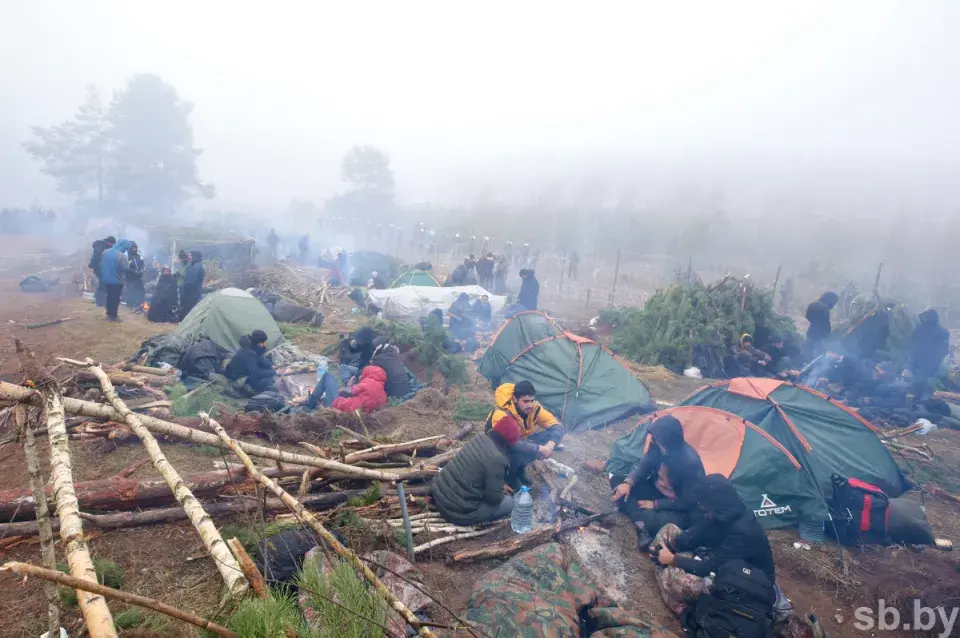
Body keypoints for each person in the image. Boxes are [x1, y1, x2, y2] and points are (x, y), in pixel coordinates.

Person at [650, 474, 776, 617]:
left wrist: (673, 560)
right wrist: (672, 546)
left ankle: (682, 606)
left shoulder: (745, 532)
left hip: (741, 585)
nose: (703, 507)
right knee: (669, 529)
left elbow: (710, 568)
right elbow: (697, 534)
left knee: (675, 580)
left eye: (705, 505)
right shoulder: (721, 515)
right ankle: (661, 569)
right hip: (715, 562)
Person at [610, 415, 706, 548]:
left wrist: (656, 504)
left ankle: (635, 515)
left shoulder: (690, 463)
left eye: (657, 438)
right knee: (617, 480)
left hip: (674, 506)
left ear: (668, 441)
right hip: (653, 489)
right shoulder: (656, 445)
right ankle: (640, 520)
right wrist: (628, 483)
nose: (653, 440)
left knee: (658, 522)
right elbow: (644, 465)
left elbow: (688, 502)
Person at [430, 413, 519, 526]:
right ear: (509, 442)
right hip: (456, 511)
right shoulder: (497, 459)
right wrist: (500, 490)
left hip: (439, 492)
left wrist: (499, 485)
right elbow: (494, 499)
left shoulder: (479, 437)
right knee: (510, 503)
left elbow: (476, 472)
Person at [485, 381, 564, 488]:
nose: (530, 405)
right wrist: (539, 449)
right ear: (515, 399)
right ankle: (510, 478)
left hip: (520, 441)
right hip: (497, 449)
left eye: (532, 401)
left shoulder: (534, 409)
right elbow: (512, 444)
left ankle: (519, 470)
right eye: (525, 401)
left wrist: (549, 445)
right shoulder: (502, 414)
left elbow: (556, 425)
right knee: (524, 451)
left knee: (547, 437)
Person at [308, 364, 388, 412]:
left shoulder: (368, 383)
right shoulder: (383, 393)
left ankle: (310, 405)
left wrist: (348, 386)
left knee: (328, 375)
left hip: (340, 407)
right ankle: (313, 402)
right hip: (358, 413)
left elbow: (345, 392)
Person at [909, 308, 950, 399]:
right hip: (917, 359)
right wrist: (912, 356)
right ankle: (917, 396)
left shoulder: (941, 331)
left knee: (922, 381)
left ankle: (922, 398)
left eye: (926, 316)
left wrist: (935, 361)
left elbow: (943, 349)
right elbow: (912, 342)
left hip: (929, 361)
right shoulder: (919, 328)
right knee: (915, 379)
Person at [99, 239, 132, 322]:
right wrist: (130, 266)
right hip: (116, 281)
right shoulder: (121, 256)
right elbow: (124, 268)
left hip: (106, 279)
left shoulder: (105, 252)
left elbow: (101, 264)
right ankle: (113, 316)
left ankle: (109, 314)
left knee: (109, 297)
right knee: (115, 299)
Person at [804, 291, 838, 360]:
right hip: (820, 337)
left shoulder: (813, 304)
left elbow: (807, 317)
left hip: (811, 332)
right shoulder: (825, 309)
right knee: (818, 357)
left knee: (808, 353)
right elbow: (826, 326)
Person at [89, 236, 116, 307]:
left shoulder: (103, 246)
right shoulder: (100, 246)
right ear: (110, 243)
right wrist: (93, 265)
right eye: (112, 244)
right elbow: (97, 257)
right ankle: (100, 302)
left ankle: (101, 301)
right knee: (102, 285)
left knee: (103, 284)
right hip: (100, 268)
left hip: (103, 268)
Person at [179, 251, 205, 320]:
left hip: (192, 293)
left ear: (195, 256)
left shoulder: (197, 266)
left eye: (190, 255)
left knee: (190, 309)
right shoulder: (193, 265)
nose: (189, 257)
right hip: (192, 292)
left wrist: (184, 286)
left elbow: (191, 280)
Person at [123, 242, 146, 307]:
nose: (134, 249)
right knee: (130, 290)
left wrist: (141, 270)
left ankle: (138, 303)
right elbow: (125, 267)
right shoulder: (126, 256)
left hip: (138, 277)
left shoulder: (139, 256)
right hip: (130, 277)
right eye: (133, 248)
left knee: (139, 290)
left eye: (135, 248)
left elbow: (142, 264)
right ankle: (130, 304)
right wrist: (133, 271)